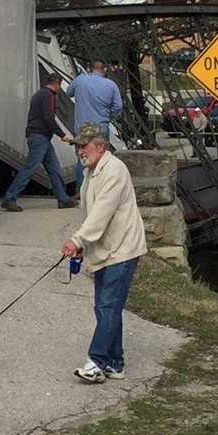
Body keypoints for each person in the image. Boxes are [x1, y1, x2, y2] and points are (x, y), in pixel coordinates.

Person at [62, 122, 147, 384]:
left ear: (100, 146)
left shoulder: (114, 171)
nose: (79, 151)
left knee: (108, 305)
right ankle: (115, 362)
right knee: (105, 307)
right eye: (77, 146)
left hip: (122, 249)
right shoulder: (92, 170)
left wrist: (77, 240)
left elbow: (101, 214)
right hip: (106, 248)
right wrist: (83, 246)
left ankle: (97, 361)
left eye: (84, 146)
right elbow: (91, 214)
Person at [1, 70, 76, 211]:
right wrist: (61, 134)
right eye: (60, 86)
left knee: (54, 168)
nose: (59, 89)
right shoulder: (49, 96)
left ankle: (63, 199)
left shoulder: (38, 94)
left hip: (40, 137)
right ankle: (9, 198)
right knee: (30, 168)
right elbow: (49, 117)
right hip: (40, 137)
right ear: (57, 84)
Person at [66, 60, 123, 201]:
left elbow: (68, 93)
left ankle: (81, 189)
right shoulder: (111, 85)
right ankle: (101, 189)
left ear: (89, 69)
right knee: (102, 158)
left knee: (82, 158)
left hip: (82, 128)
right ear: (104, 69)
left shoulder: (80, 80)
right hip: (101, 127)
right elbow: (118, 106)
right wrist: (107, 115)